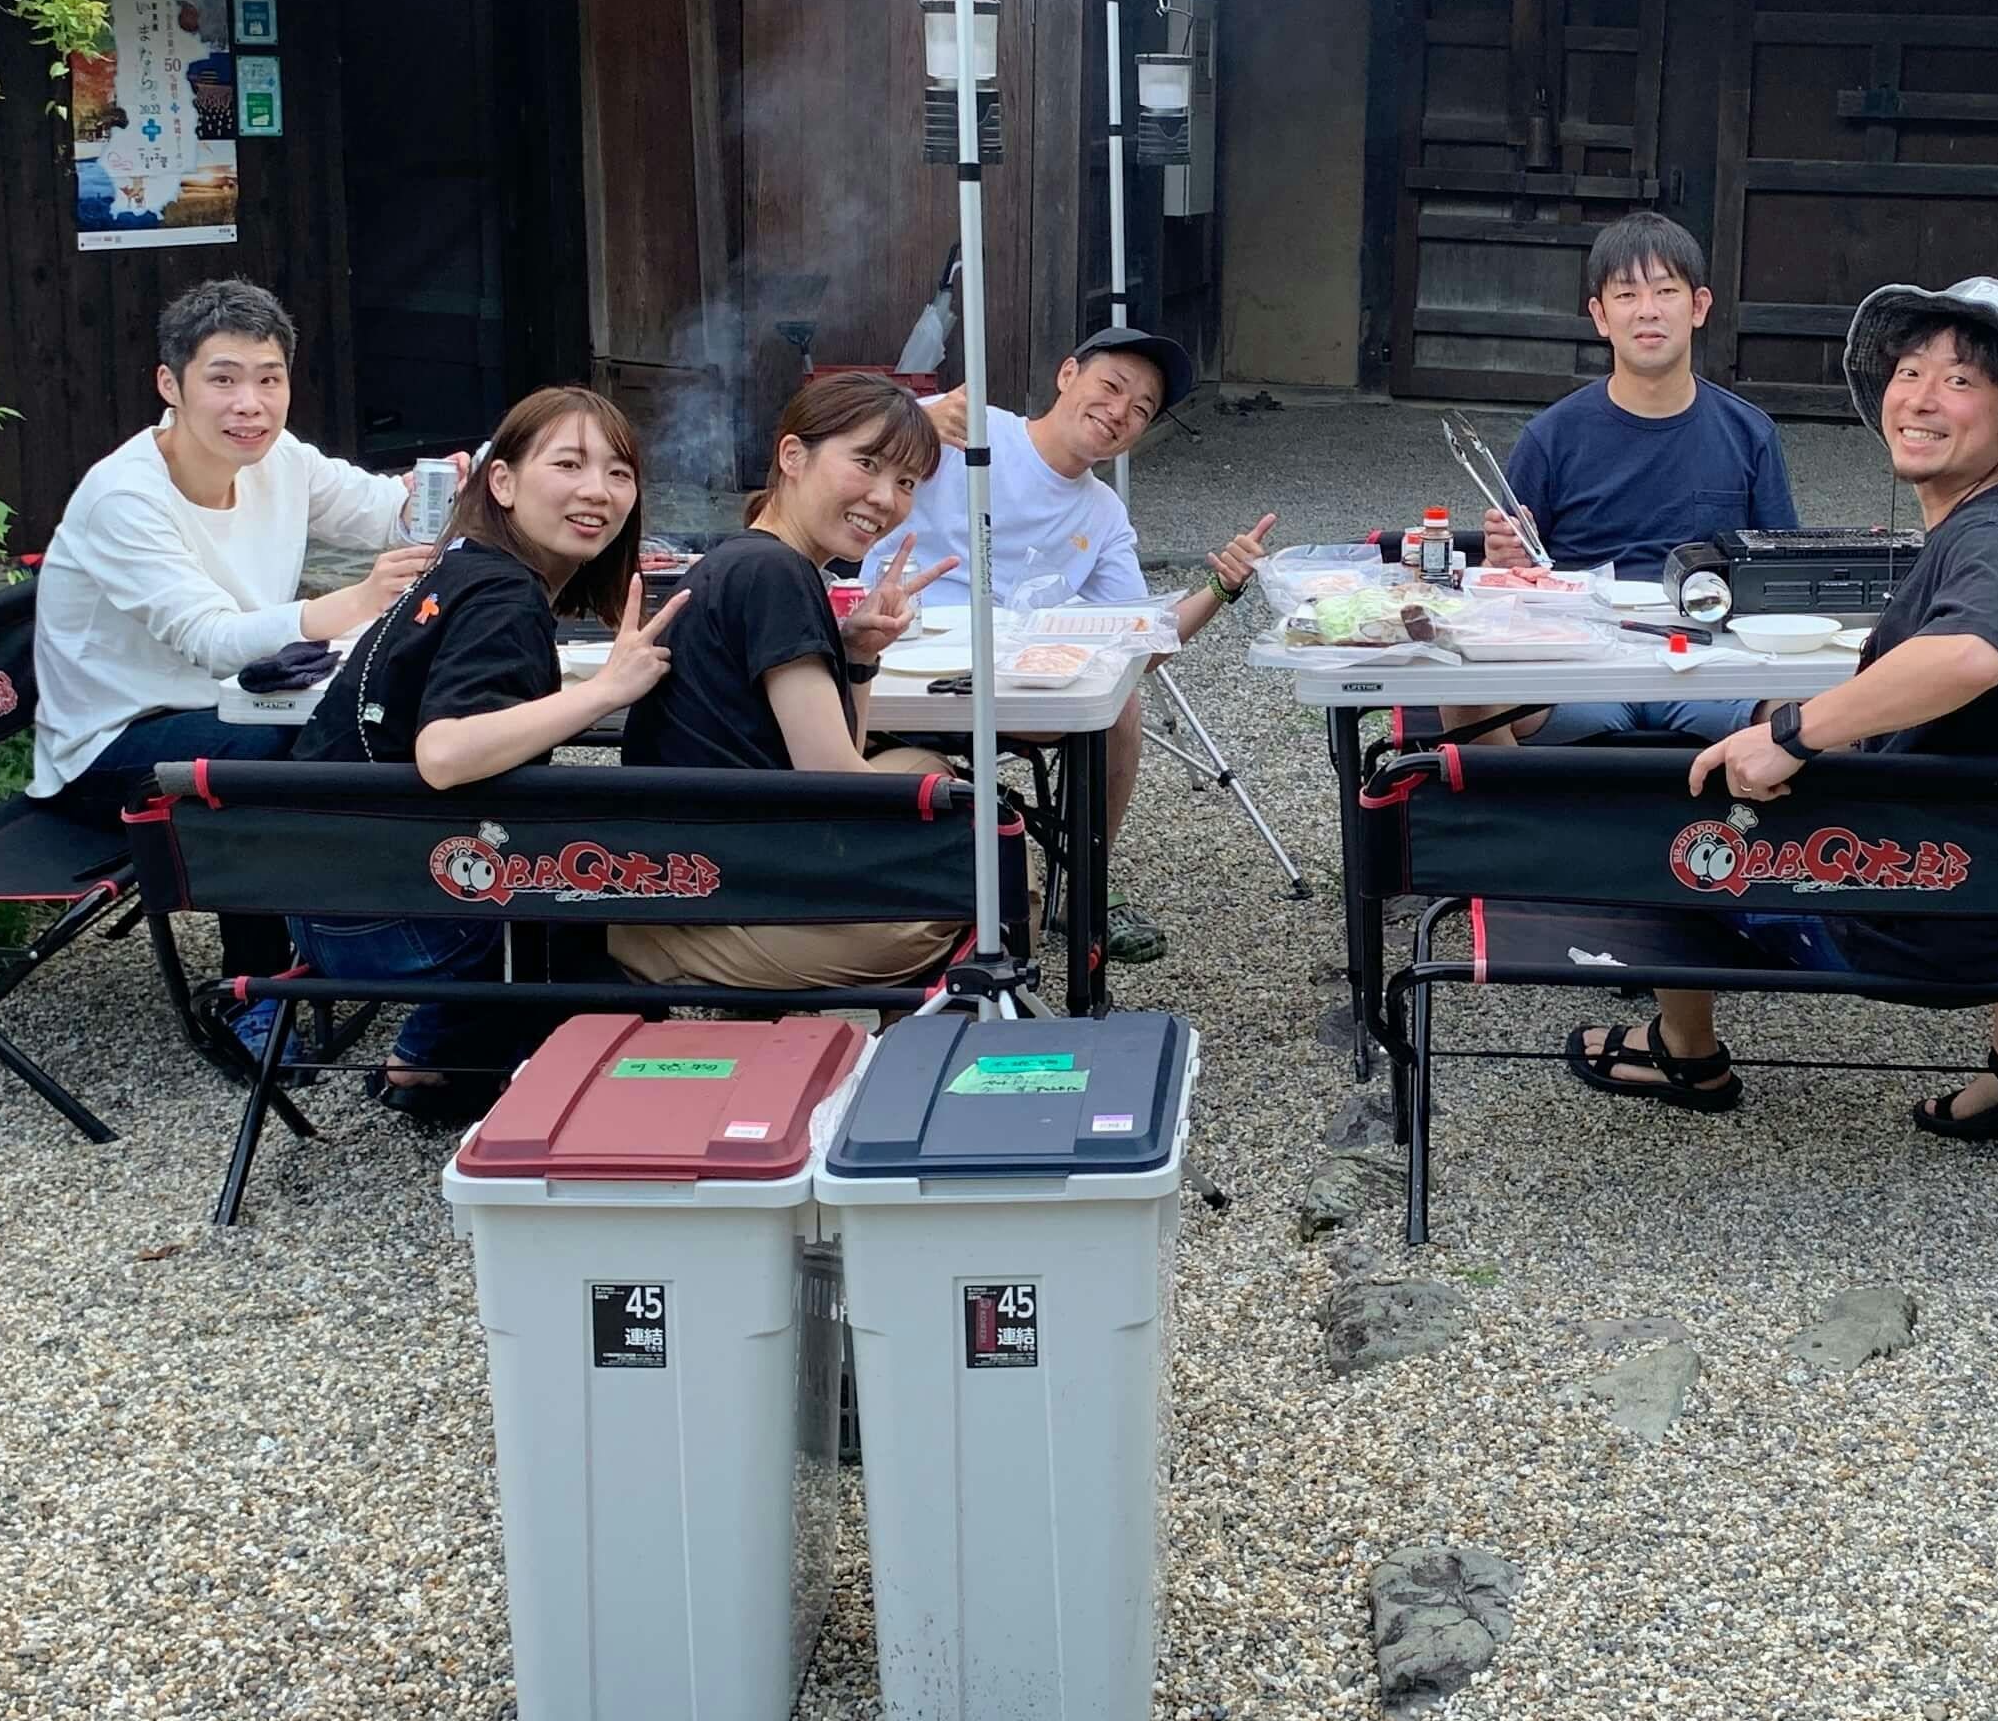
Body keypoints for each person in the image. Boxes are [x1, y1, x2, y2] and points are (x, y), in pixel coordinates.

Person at [1570, 278, 1998, 1141]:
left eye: (1960, 381)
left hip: (1924, 921)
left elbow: (1969, 655)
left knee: (1674, 798)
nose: (1920, 398)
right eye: (1909, 372)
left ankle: (1684, 1049)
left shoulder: (1995, 537)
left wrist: (1791, 735)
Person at [235, 386, 687, 1122]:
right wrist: (608, 691)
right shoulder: (504, 596)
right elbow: (444, 753)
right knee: (607, 898)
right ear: (501, 482)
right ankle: (456, 1067)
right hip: (390, 919)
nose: (596, 491)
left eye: (618, 473)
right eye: (568, 464)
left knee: (568, 856)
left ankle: (434, 1055)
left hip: (320, 896)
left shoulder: (462, 566)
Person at [29, 277, 434, 1003]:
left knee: (376, 719)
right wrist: (357, 601)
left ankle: (386, 938)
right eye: (223, 379)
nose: (250, 403)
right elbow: (213, 639)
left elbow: (384, 512)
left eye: (269, 379)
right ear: (171, 385)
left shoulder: (279, 459)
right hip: (112, 746)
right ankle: (259, 990)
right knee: (273, 757)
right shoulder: (125, 497)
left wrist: (445, 489)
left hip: (236, 706)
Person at [902, 318, 1277, 961]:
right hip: (898, 655)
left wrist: (1221, 589)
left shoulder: (1102, 512)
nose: (1120, 412)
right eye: (1111, 386)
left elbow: (1142, 644)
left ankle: (1084, 880)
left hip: (1014, 682)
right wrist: (906, 425)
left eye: (1142, 409)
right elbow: (830, 439)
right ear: (1067, 374)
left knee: (1119, 698)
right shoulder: (970, 424)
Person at [606, 371, 966, 998]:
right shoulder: (777, 574)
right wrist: (959, 831)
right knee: (987, 877)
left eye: (907, 482)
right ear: (793, 456)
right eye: (866, 464)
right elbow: (833, 785)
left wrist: (858, 654)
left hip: (713, 859)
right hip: (725, 898)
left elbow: (841, 755)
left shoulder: (755, 558)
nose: (885, 497)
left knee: (932, 772)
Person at [1477, 210, 1801, 747]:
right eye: (1627, 295)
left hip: (1710, 662)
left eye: (1666, 291)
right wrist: (1503, 560)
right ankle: (1520, 804)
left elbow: (1782, 576)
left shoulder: (1749, 434)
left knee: (1823, 719)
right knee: (1467, 699)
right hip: (1580, 663)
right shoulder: (1550, 437)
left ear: (1698, 306)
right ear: (1600, 315)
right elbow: (1512, 582)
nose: (1648, 310)